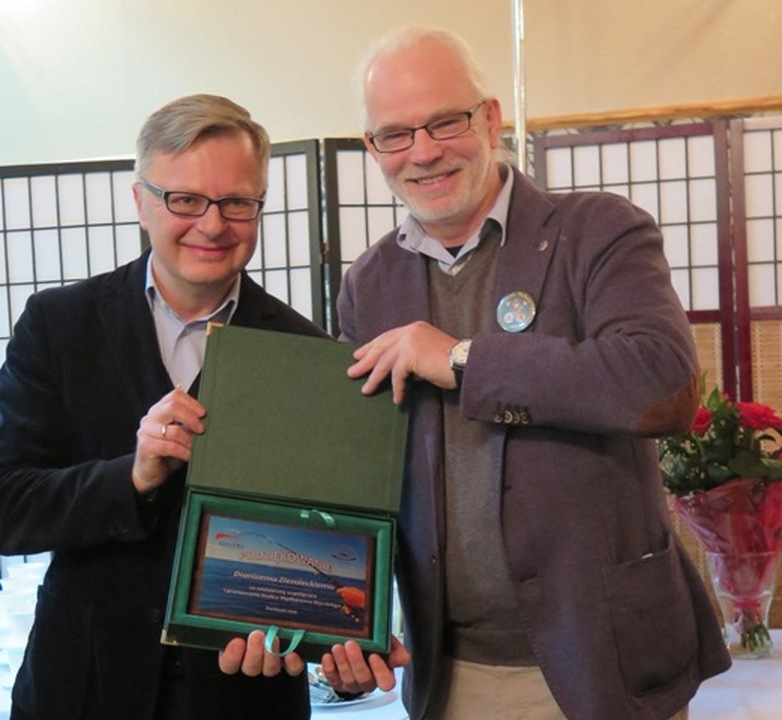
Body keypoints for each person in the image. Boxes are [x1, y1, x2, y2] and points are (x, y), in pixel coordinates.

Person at [329, 26, 732, 720]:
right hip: (451, 672)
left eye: (445, 121)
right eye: (395, 134)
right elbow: (354, 470)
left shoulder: (597, 231)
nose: (422, 152)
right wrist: (340, 621)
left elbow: (662, 384)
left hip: (605, 658)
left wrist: (462, 359)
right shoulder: (369, 283)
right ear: (372, 147)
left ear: (490, 119)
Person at [0, 94, 327, 720]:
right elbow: (9, 505)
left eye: (237, 203)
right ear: (141, 201)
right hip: (84, 685)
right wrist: (131, 477)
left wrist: (320, 639)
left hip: (244, 695)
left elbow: (324, 539)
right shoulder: (59, 326)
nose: (213, 224)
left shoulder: (307, 354)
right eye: (185, 200)